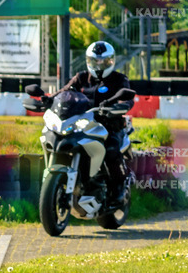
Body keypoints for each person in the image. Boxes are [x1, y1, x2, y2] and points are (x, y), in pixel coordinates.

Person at [51, 40, 134, 205]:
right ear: (88, 61)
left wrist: (120, 106)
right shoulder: (81, 77)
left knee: (111, 149)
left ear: (111, 61)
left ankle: (118, 187)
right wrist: (50, 99)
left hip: (110, 125)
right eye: (95, 60)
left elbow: (128, 99)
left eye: (104, 61)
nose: (99, 64)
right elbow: (65, 91)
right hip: (83, 123)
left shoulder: (119, 79)